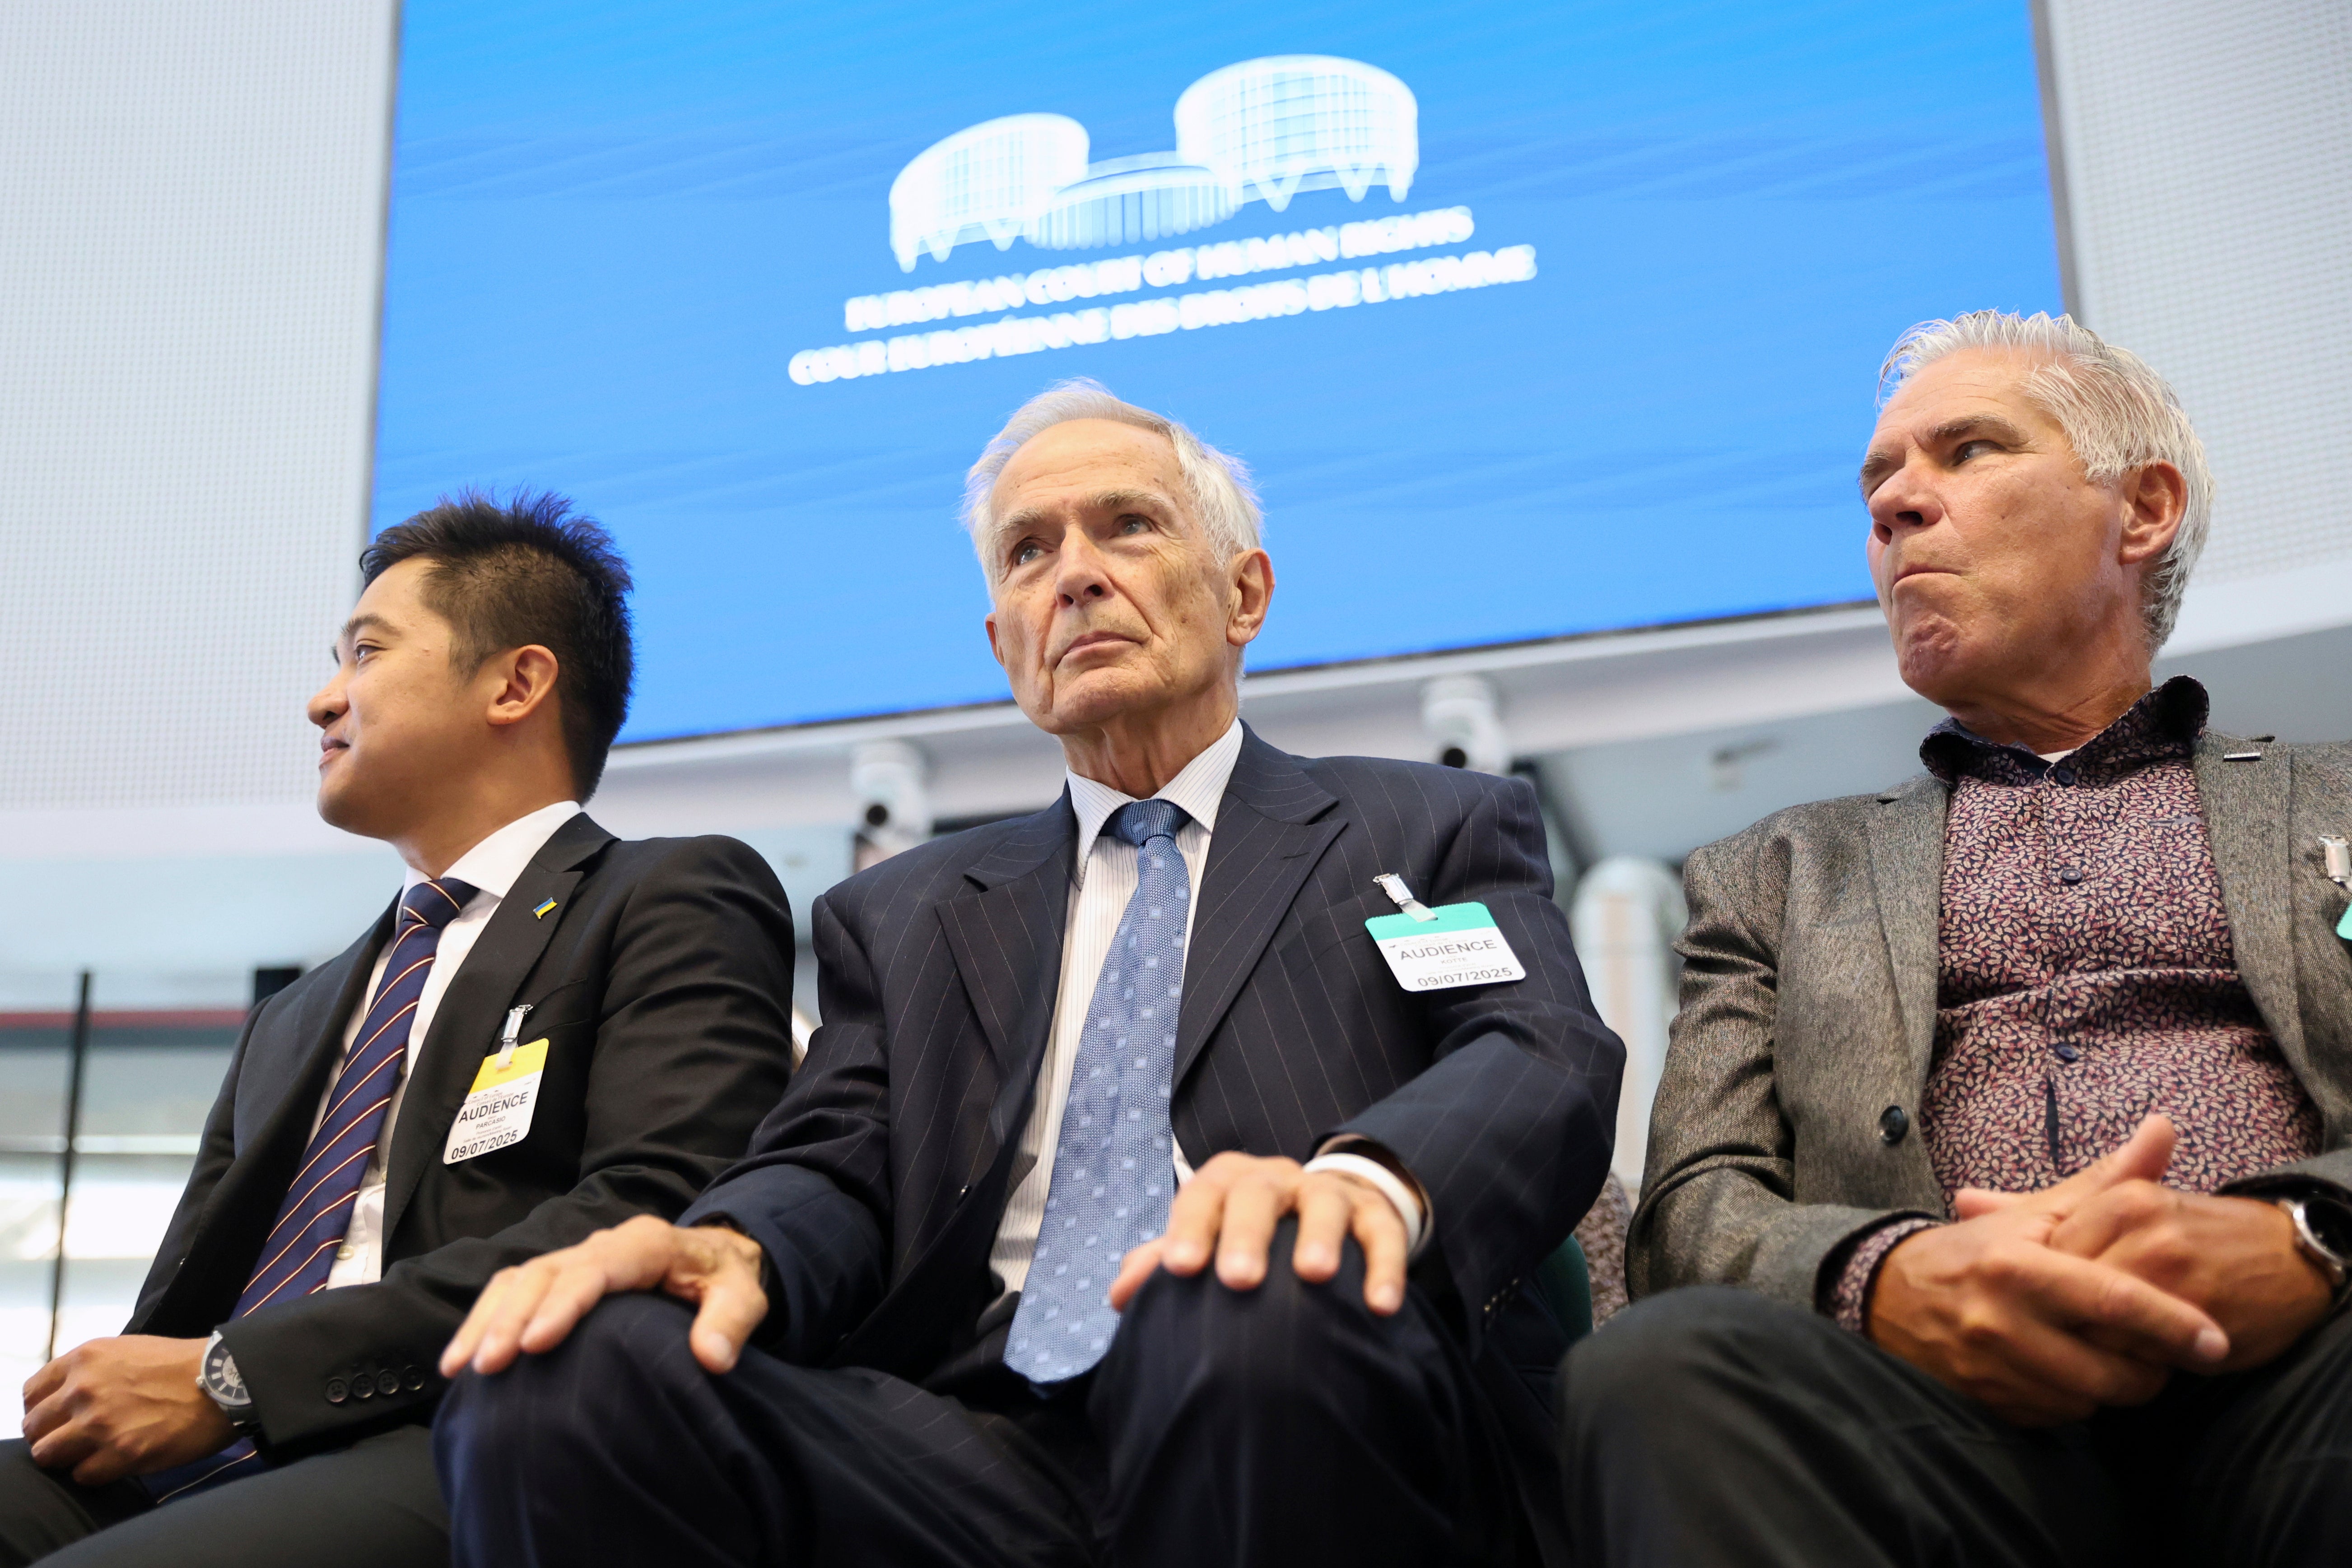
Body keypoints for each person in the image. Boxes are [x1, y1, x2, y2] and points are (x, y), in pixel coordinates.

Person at [431, 380, 1624, 1568]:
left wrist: (1363, 1183)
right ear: (1005, 645)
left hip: (1308, 1379)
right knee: (559, 1376)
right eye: (1028, 552)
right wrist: (733, 1243)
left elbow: (1535, 1050)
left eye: (1130, 527)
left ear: (1244, 593)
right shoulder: (903, 914)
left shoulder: (1418, 828)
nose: (1076, 574)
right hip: (967, 1440)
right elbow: (836, 1165)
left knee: (1238, 1301)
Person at [1558, 311, 2352, 1566]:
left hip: (2314, 1372)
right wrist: (1886, 1276)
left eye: (1966, 451)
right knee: (1654, 1369)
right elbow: (1689, 1217)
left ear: (2141, 510)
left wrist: (2310, 1238)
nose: (1894, 509)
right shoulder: (1773, 873)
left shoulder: (2341, 801)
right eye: (1878, 482)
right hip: (1940, 1437)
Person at [2, 494, 797, 1568]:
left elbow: (652, 1213)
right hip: (194, 1456)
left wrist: (237, 1375)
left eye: (366, 652)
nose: (322, 699)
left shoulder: (667, 895)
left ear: (516, 683)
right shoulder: (294, 1016)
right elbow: (181, 1305)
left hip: (464, 1429)